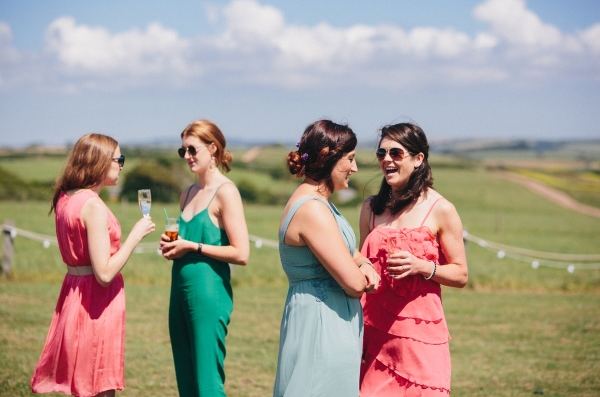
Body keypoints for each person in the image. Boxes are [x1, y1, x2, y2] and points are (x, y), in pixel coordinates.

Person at [30, 133, 156, 397]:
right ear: (100, 161)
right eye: (119, 159)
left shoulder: (65, 198)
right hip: (96, 303)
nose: (121, 166)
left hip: (74, 295)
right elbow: (105, 273)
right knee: (98, 384)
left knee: (82, 383)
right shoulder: (93, 206)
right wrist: (136, 235)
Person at [358, 123, 468, 396]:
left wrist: (423, 267)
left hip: (420, 335)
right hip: (373, 331)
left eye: (396, 153)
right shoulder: (370, 208)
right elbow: (361, 263)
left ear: (418, 159)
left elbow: (461, 274)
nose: (387, 159)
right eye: (381, 153)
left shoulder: (441, 209)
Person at [273, 119, 381, 397]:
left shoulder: (321, 203)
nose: (355, 168)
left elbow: (347, 250)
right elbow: (354, 285)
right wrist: (362, 277)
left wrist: (364, 263)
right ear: (326, 157)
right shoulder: (312, 209)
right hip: (320, 326)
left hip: (331, 322)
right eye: (350, 159)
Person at [159, 119, 249, 397]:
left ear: (213, 149)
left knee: (208, 382)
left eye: (192, 149)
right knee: (186, 379)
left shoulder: (226, 192)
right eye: (183, 151)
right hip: (179, 291)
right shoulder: (187, 193)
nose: (187, 156)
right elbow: (184, 242)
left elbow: (241, 253)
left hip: (209, 295)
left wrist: (191, 246)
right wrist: (172, 246)